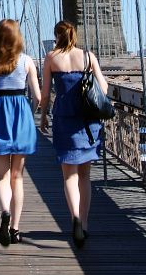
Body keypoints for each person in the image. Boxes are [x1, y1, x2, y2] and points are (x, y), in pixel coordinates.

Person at [39, 20, 108, 248]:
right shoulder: (88, 56)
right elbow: (104, 88)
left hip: (64, 118)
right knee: (85, 176)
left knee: (69, 176)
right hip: (87, 121)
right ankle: (85, 224)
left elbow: (46, 94)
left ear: (56, 35)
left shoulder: (51, 57)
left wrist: (42, 117)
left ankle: (75, 219)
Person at [0, 19, 41, 247]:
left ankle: (5, 211)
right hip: (21, 114)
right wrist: (29, 115)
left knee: (1, 176)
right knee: (17, 177)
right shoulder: (26, 61)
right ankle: (14, 228)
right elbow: (39, 97)